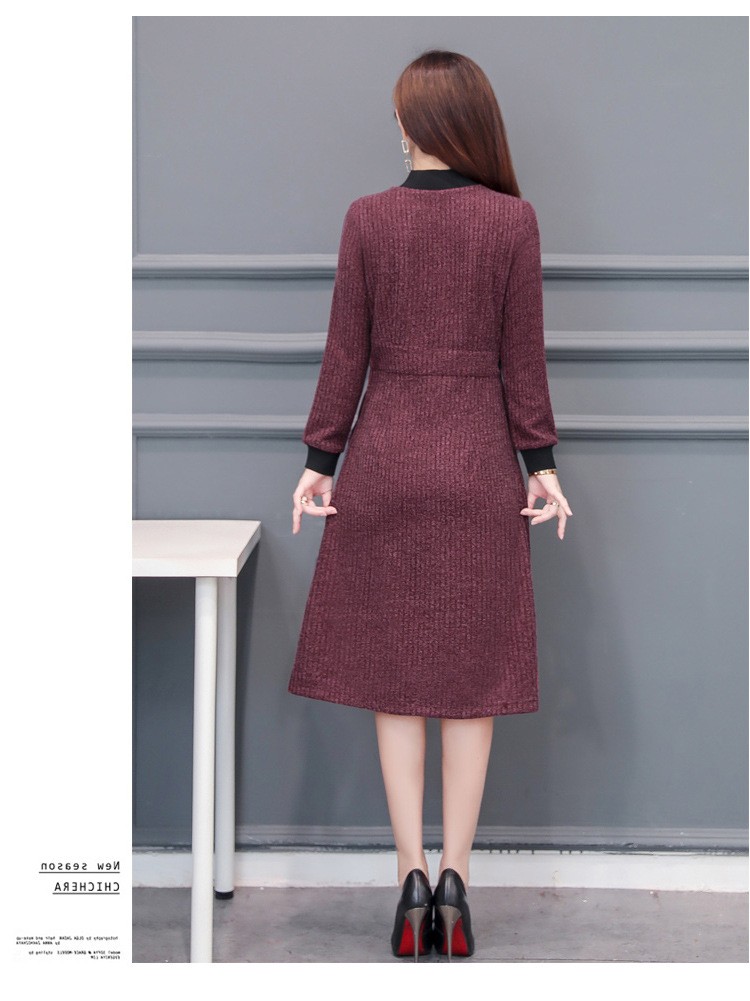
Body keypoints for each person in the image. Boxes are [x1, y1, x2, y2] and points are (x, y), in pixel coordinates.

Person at [288, 49, 572, 962]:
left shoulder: (367, 218)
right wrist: (542, 466)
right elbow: (523, 363)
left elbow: (346, 352)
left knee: (398, 683)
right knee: (472, 684)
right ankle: (456, 880)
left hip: (386, 464)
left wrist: (320, 460)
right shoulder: (513, 223)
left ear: (415, 126)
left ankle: (409, 881)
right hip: (479, 467)